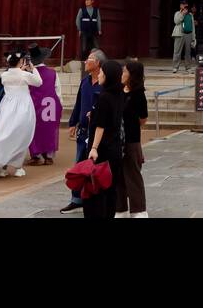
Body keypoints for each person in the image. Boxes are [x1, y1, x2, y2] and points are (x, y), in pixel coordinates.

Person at [0, 50, 43, 177]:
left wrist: (21, 69)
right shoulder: (24, 75)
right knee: (21, 135)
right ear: (21, 62)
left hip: (7, 106)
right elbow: (39, 82)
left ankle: (2, 165)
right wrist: (32, 68)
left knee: (4, 132)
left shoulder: (4, 75)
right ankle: (17, 166)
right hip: (22, 106)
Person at [60, 49, 105, 214]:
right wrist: (73, 122)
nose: (86, 62)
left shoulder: (104, 83)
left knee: (97, 166)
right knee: (79, 165)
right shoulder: (85, 81)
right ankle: (76, 199)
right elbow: (79, 102)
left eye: (89, 59)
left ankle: (97, 199)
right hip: (83, 130)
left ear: (98, 63)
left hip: (98, 132)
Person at [83, 59, 126, 219]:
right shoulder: (119, 93)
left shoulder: (104, 97)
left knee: (97, 188)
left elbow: (100, 126)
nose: (99, 74)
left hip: (102, 149)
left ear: (108, 76)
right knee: (111, 188)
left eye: (102, 72)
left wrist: (94, 148)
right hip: (115, 148)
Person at [115, 59, 149, 218]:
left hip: (131, 140)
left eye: (125, 71)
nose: (122, 74)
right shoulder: (120, 90)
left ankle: (139, 209)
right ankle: (121, 209)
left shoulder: (138, 94)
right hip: (117, 140)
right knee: (119, 175)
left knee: (133, 175)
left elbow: (143, 119)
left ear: (132, 75)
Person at [28, 44, 62, 165]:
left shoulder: (30, 74)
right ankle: (48, 156)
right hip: (50, 105)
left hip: (34, 104)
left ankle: (36, 155)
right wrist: (60, 106)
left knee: (34, 130)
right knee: (49, 129)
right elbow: (58, 91)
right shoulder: (53, 73)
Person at [170, 0, 192, 73]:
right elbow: (176, 21)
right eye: (182, 4)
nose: (184, 6)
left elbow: (193, 26)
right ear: (180, 6)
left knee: (188, 52)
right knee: (177, 51)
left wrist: (193, 37)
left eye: (185, 4)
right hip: (179, 34)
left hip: (188, 34)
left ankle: (188, 67)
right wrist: (182, 14)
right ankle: (175, 67)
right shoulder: (177, 13)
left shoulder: (190, 14)